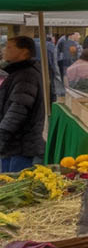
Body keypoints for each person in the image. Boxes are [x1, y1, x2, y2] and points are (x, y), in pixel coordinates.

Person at [0, 36, 45, 171]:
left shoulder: (26, 75)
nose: (4, 50)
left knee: (14, 182)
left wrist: (2, 134)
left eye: (9, 47)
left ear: (24, 52)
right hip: (14, 144)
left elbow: (18, 110)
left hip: (21, 144)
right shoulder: (17, 71)